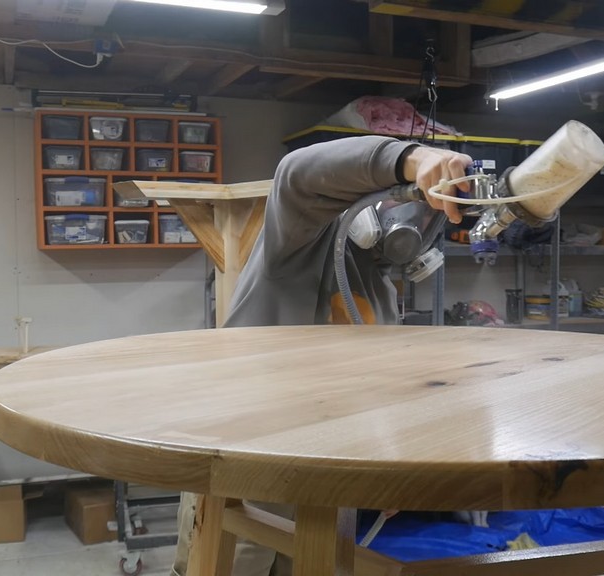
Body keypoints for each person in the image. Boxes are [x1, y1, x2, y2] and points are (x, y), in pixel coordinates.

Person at [170, 135, 473, 576]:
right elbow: (298, 169)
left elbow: (378, 390)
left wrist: (389, 460)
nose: (411, 222)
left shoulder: (380, 289)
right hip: (245, 462)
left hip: (325, 473)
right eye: (406, 199)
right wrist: (413, 158)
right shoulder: (295, 243)